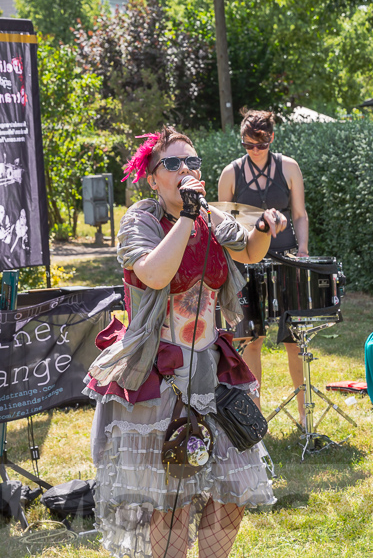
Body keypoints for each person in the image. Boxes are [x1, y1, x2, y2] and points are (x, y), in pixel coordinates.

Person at [85, 126, 281, 558]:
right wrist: (189, 218)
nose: (184, 170)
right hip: (158, 376)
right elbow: (154, 274)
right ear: (153, 178)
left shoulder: (210, 216)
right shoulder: (142, 219)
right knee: (171, 500)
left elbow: (249, 250)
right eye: (171, 164)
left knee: (233, 492)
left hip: (212, 371)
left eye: (191, 162)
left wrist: (264, 227)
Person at [217, 108, 310, 422]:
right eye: (248, 145)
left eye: (262, 143)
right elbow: (225, 226)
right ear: (242, 141)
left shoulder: (289, 167)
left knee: (295, 340)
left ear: (272, 138)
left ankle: (304, 417)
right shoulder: (231, 173)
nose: (255, 151)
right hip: (246, 264)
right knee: (251, 341)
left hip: (286, 260)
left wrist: (304, 249)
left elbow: (299, 214)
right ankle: (254, 421)